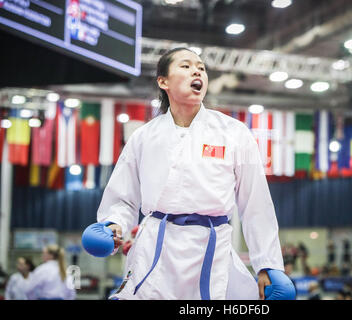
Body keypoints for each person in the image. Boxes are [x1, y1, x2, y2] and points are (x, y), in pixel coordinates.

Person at [97, 47, 285, 300]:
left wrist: (268, 264)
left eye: (201, 67)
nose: (197, 70)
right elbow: (123, 196)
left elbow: (256, 204)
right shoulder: (143, 137)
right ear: (163, 81)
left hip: (212, 247)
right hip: (156, 246)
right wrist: (113, 224)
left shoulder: (234, 133)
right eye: (185, 66)